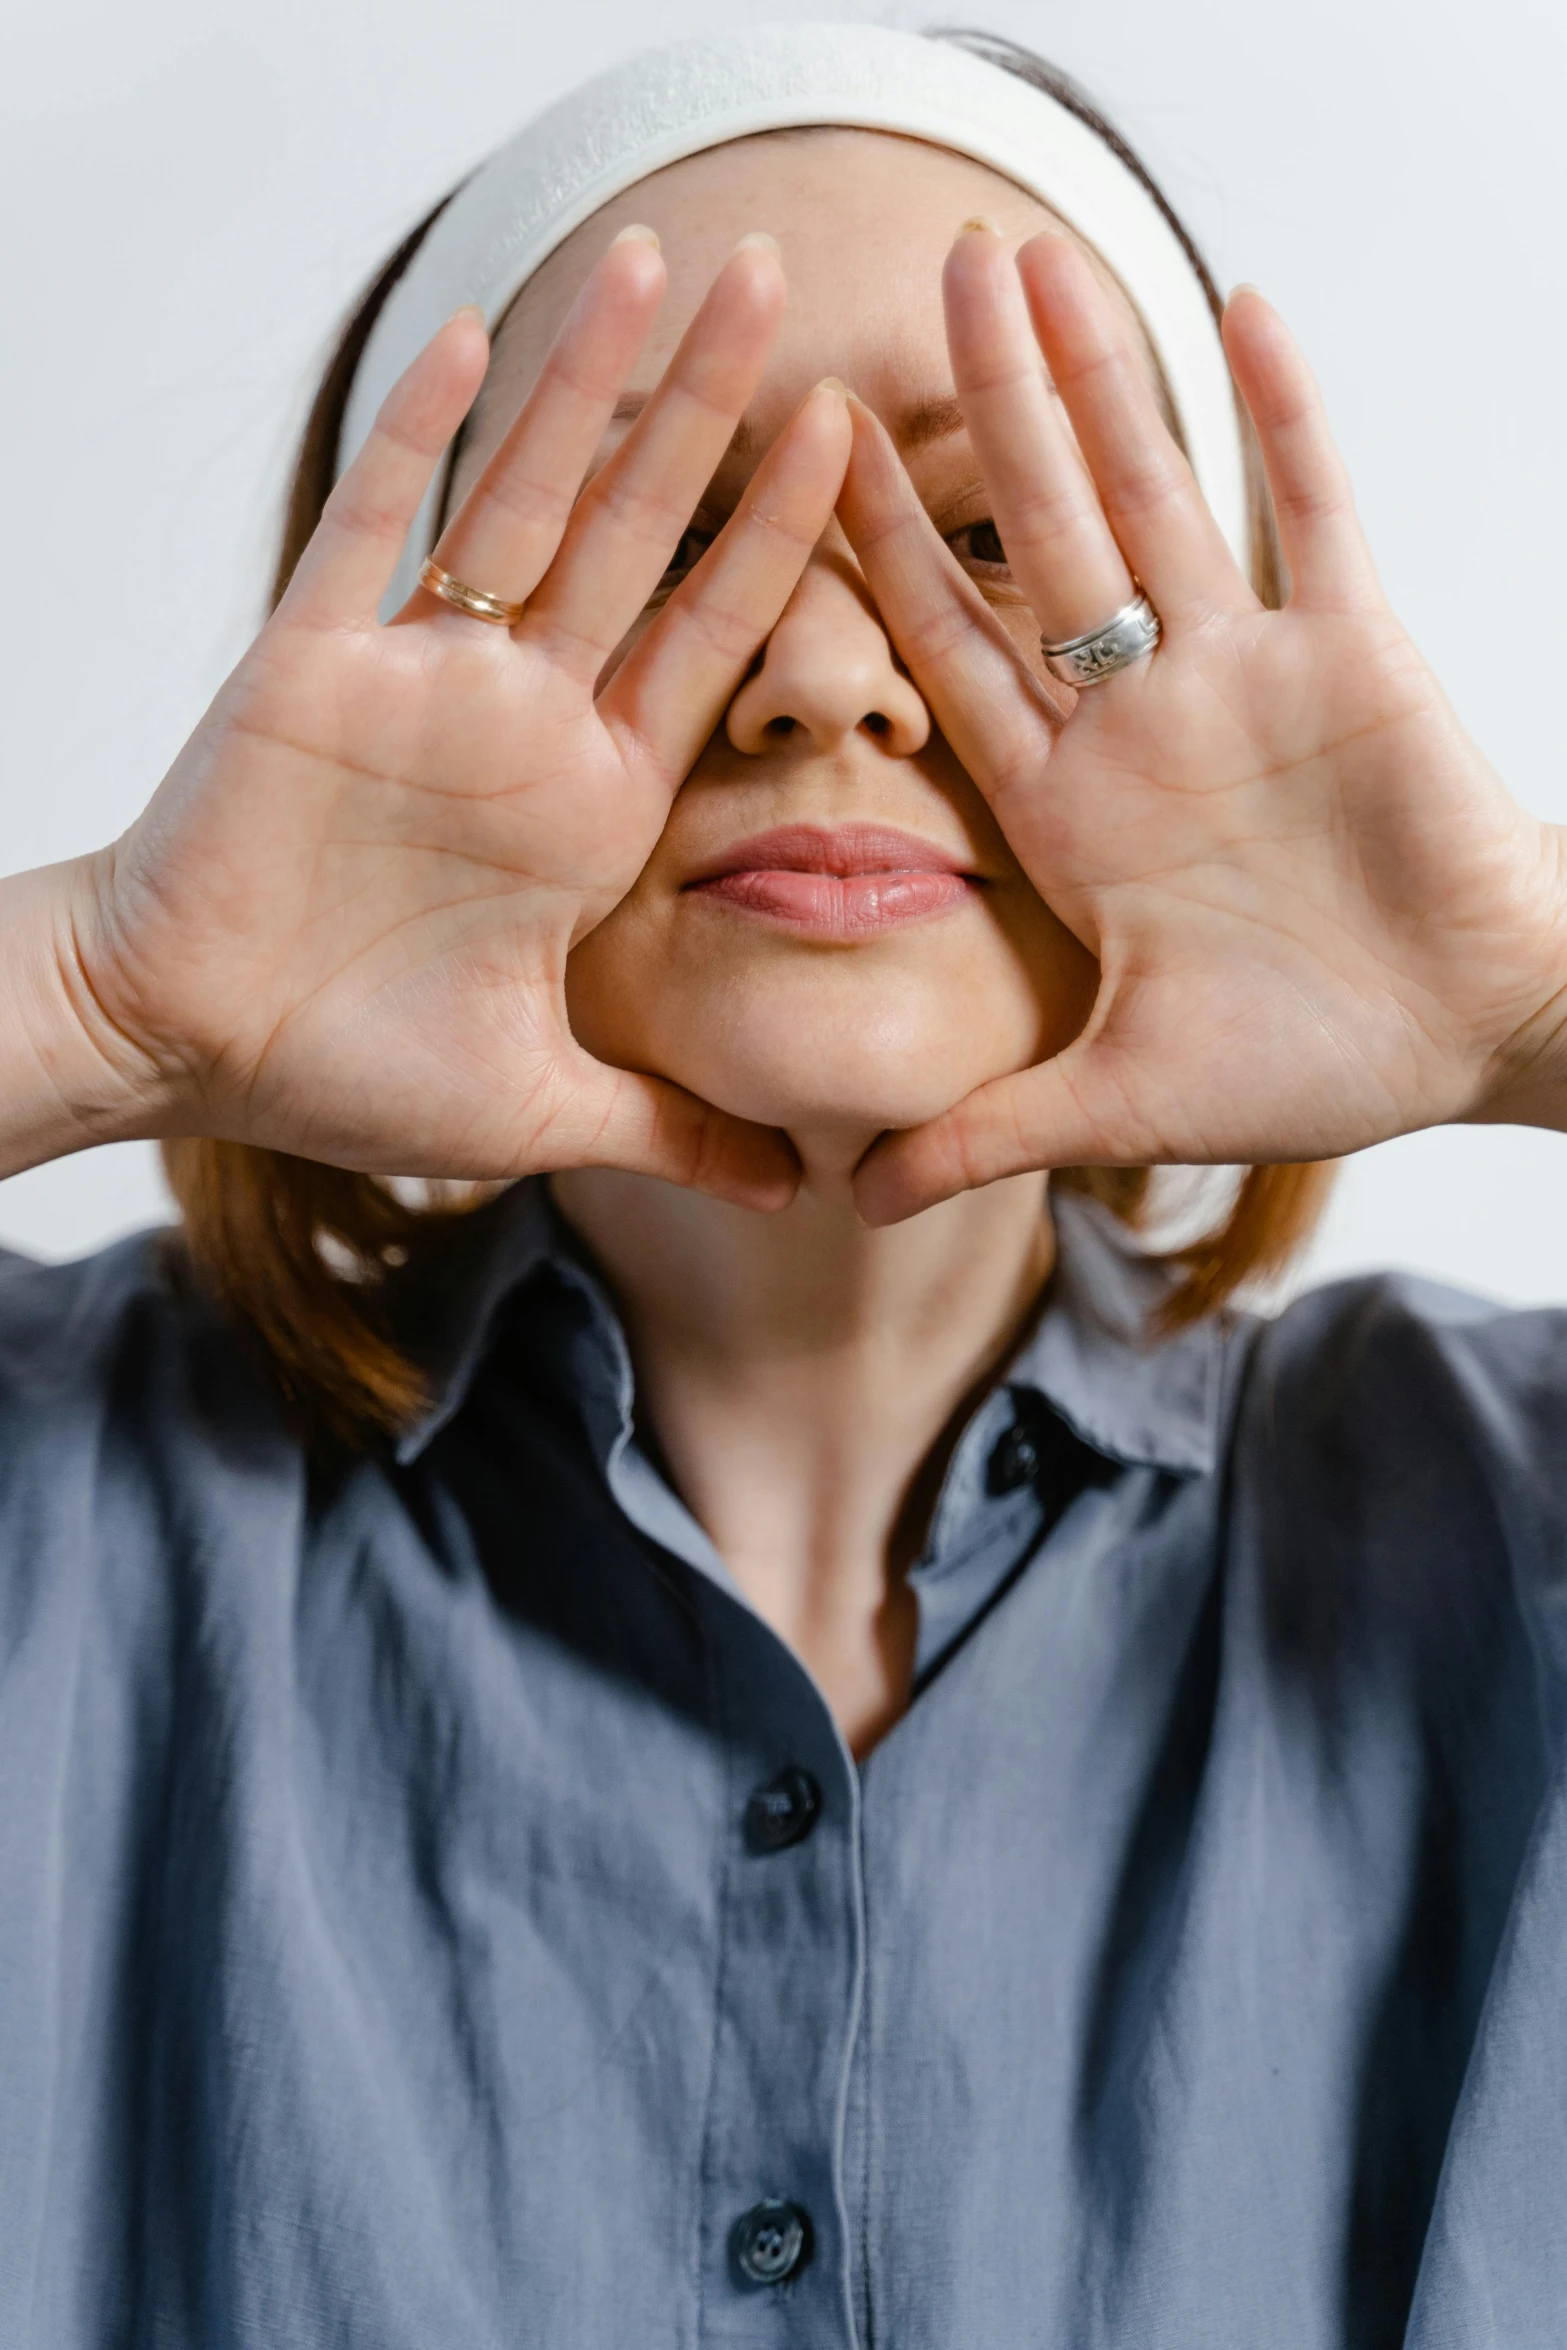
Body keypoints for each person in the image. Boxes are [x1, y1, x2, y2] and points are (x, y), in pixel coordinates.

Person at [1, 21, 1564, 2345]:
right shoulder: (72, 1504)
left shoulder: (1511, 1516)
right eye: (678, 531)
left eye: (987, 538)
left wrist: (1533, 1005)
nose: (827, 682)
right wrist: (104, 996)